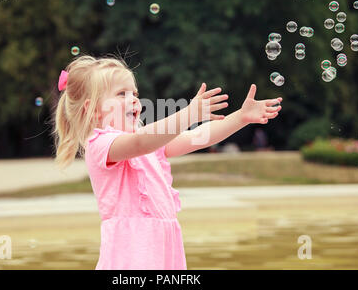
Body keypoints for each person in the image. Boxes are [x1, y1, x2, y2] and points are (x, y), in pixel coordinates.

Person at [51, 55, 282, 269]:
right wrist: (189, 114)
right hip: (131, 255)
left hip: (163, 251)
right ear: (93, 111)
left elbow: (197, 138)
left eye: (135, 94)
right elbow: (140, 142)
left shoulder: (150, 146)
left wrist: (240, 118)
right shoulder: (100, 144)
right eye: (122, 94)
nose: (133, 100)